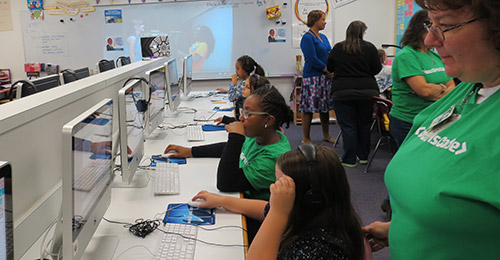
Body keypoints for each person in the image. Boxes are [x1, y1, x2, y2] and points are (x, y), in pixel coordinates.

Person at [363, 0, 500, 259]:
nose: (429, 40)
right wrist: (405, 228)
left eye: (446, 25)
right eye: (431, 24)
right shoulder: (466, 90)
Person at [192, 145, 365, 260]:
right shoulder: (321, 214)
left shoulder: (320, 249)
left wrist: (278, 213)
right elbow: (264, 208)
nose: (273, 188)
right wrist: (221, 200)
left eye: (280, 184)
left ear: (310, 197)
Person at [164, 86, 293, 201]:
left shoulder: (274, 158)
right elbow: (226, 148)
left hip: (253, 217)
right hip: (240, 194)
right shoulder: (261, 134)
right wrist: (191, 151)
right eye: (243, 111)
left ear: (268, 120)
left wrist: (235, 137)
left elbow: (225, 183)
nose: (241, 118)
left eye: (248, 113)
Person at [389, 9, 455, 147]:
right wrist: (443, 87)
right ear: (420, 29)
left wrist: (436, 89)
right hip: (408, 121)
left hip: (433, 120)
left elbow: (452, 87)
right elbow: (424, 91)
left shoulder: (434, 55)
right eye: (433, 29)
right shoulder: (407, 55)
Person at [326, 20, 382, 167]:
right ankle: (363, 157)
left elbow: (330, 67)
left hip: (342, 91)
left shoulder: (338, 48)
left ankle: (349, 159)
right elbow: (377, 69)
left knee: (348, 126)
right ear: (362, 32)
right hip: (367, 91)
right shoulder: (369, 47)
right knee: (364, 125)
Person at [299, 10, 335, 145]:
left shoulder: (323, 37)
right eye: (323, 19)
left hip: (324, 77)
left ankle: (326, 135)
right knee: (309, 108)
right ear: (315, 21)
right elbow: (312, 58)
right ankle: (306, 138)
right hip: (312, 78)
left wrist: (331, 69)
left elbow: (329, 53)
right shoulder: (307, 38)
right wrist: (327, 70)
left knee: (324, 107)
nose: (325, 22)